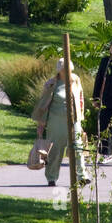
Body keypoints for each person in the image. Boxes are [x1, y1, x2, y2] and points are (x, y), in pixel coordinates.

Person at [32, 58, 89, 188]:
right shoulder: (52, 83)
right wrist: (41, 124)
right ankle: (51, 177)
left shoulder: (76, 80)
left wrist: (80, 118)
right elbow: (43, 104)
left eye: (69, 69)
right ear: (60, 70)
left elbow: (80, 98)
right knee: (55, 151)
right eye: (65, 70)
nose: (68, 72)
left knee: (78, 148)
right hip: (56, 121)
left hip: (74, 120)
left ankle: (82, 176)